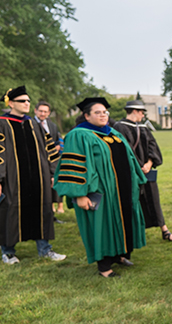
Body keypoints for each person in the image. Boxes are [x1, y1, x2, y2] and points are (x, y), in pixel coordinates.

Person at [54, 97, 146, 277]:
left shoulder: (112, 133)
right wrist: (79, 195)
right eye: (98, 112)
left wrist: (137, 179)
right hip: (100, 192)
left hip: (122, 190)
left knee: (121, 221)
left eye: (105, 112)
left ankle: (119, 255)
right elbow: (73, 166)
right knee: (102, 226)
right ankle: (104, 267)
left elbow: (129, 158)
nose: (103, 115)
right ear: (87, 116)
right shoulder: (78, 135)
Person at [0, 86, 65, 264]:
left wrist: (53, 172)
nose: (27, 104)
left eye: (28, 101)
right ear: (11, 103)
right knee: (10, 211)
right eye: (23, 101)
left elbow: (50, 150)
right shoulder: (2, 123)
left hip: (38, 178)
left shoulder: (33, 124)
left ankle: (45, 249)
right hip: (13, 178)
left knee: (42, 210)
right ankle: (8, 252)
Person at [113, 100, 172, 241]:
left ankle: (164, 230)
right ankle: (132, 234)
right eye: (142, 112)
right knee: (133, 201)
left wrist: (149, 163)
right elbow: (125, 150)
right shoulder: (119, 127)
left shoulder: (142, 127)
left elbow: (152, 146)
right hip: (130, 172)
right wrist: (139, 166)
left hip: (146, 171)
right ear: (135, 111)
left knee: (153, 199)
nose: (143, 115)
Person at [34, 101, 65, 214]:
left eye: (45, 112)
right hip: (37, 159)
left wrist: (56, 147)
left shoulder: (52, 125)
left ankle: (57, 208)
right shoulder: (29, 124)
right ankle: (47, 208)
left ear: (49, 113)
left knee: (55, 180)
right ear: (35, 111)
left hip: (53, 159)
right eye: (41, 111)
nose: (43, 113)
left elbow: (57, 141)